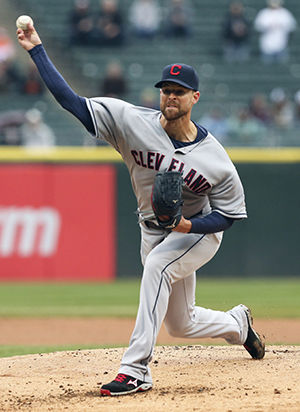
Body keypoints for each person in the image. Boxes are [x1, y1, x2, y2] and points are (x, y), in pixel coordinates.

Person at [17, 22, 265, 397]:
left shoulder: (216, 160)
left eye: (179, 91)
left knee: (157, 267)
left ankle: (135, 371)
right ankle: (238, 325)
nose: (170, 96)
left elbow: (230, 215)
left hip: (198, 233)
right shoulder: (131, 122)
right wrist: (37, 49)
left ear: (194, 97)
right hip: (151, 229)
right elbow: (73, 103)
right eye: (166, 89)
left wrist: (189, 224)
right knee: (182, 324)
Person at [254, 0, 297, 64]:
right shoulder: (264, 13)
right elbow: (258, 26)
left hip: (281, 45)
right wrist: (268, 26)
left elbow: (292, 26)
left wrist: (281, 25)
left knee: (282, 68)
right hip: (267, 46)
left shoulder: (285, 13)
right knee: (267, 68)